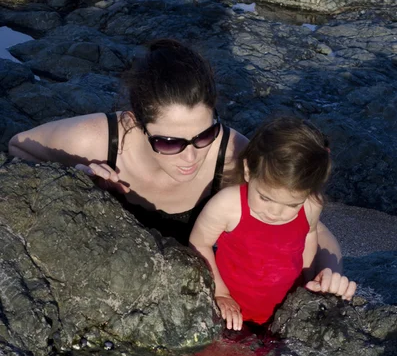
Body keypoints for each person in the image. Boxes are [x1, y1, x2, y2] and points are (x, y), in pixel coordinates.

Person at [9, 38, 344, 290]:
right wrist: (71, 180)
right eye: (169, 142)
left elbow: (306, 223)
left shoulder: (232, 156)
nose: (191, 157)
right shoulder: (95, 141)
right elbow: (18, 149)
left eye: (203, 135)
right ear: (136, 121)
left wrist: (330, 274)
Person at [189, 117, 357, 330]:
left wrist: (308, 278)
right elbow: (199, 243)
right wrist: (220, 293)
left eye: (292, 204)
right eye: (265, 198)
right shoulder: (228, 205)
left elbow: (309, 235)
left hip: (285, 308)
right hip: (234, 308)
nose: (276, 212)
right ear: (249, 171)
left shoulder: (311, 204)